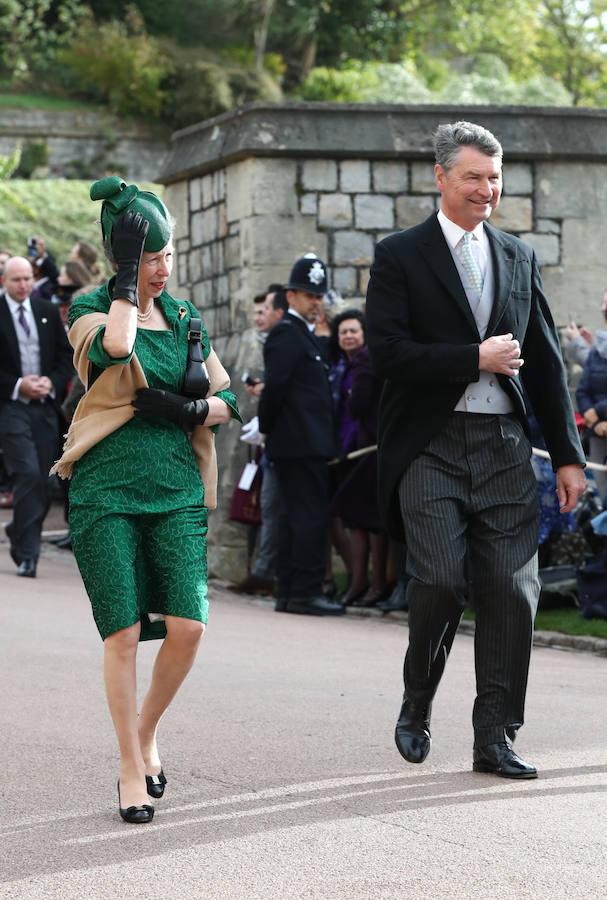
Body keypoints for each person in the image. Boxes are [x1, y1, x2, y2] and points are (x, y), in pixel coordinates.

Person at [366, 121, 586, 779]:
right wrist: (473, 357)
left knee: (511, 591)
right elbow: (386, 355)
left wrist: (568, 456)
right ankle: (416, 695)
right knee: (437, 580)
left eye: (493, 178)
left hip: (504, 448)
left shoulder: (518, 257)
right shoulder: (399, 255)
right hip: (429, 447)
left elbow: (545, 362)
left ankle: (494, 737)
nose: (485, 190)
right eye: (472, 177)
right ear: (440, 177)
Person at [52, 176, 240, 824]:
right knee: (125, 633)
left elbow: (228, 402)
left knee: (188, 627)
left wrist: (192, 406)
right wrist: (126, 280)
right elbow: (117, 347)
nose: (164, 270)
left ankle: (144, 729)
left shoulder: (186, 317)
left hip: (175, 488)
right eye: (150, 257)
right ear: (125, 258)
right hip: (105, 487)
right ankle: (130, 766)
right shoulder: (87, 308)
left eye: (167, 257)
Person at [258, 256, 344, 616]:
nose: (316, 302)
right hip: (298, 442)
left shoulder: (303, 336)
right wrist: (267, 428)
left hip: (306, 441)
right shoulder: (286, 334)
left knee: (301, 518)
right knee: (306, 518)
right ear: (291, 296)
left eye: (319, 296)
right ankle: (303, 591)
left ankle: (293, 591)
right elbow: (276, 389)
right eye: (309, 295)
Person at [0, 256, 72, 576]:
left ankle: (19, 529)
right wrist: (18, 385)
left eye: (28, 278)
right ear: (4, 281)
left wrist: (50, 383)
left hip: (44, 409)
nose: (24, 285)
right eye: (16, 279)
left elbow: (64, 356)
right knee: (27, 472)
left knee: (42, 480)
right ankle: (29, 554)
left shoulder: (45, 312)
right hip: (11, 407)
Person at [329, 309, 389, 607]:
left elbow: (359, 404)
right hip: (351, 449)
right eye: (343, 332)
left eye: (354, 331)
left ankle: (374, 585)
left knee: (369, 518)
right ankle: (360, 583)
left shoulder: (365, 361)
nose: (348, 336)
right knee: (357, 519)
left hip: (370, 448)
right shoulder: (344, 365)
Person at [235, 287, 288, 594]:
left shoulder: (283, 340)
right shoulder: (262, 342)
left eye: (265, 309)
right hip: (261, 436)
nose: (261, 316)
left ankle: (267, 572)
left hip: (277, 437)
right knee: (263, 506)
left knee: (273, 507)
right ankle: (261, 570)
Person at [575, 316, 607, 501]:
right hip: (597, 434)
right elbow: (582, 391)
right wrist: (595, 423)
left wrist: (598, 411)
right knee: (603, 494)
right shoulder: (596, 351)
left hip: (597, 418)